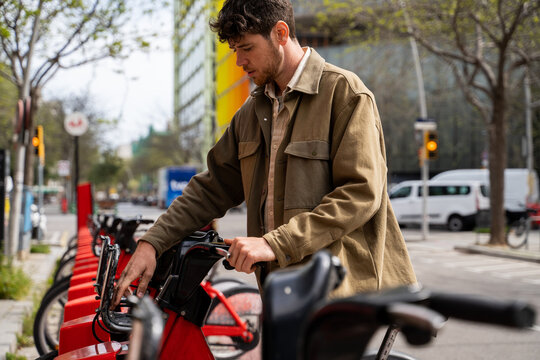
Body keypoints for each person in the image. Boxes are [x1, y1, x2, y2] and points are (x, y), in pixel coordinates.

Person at [113, 0, 416, 307]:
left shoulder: (345, 93)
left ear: (281, 33)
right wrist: (153, 241)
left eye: (247, 48)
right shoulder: (251, 113)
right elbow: (212, 188)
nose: (239, 61)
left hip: (343, 291)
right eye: (234, 50)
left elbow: (360, 194)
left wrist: (274, 244)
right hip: (282, 290)